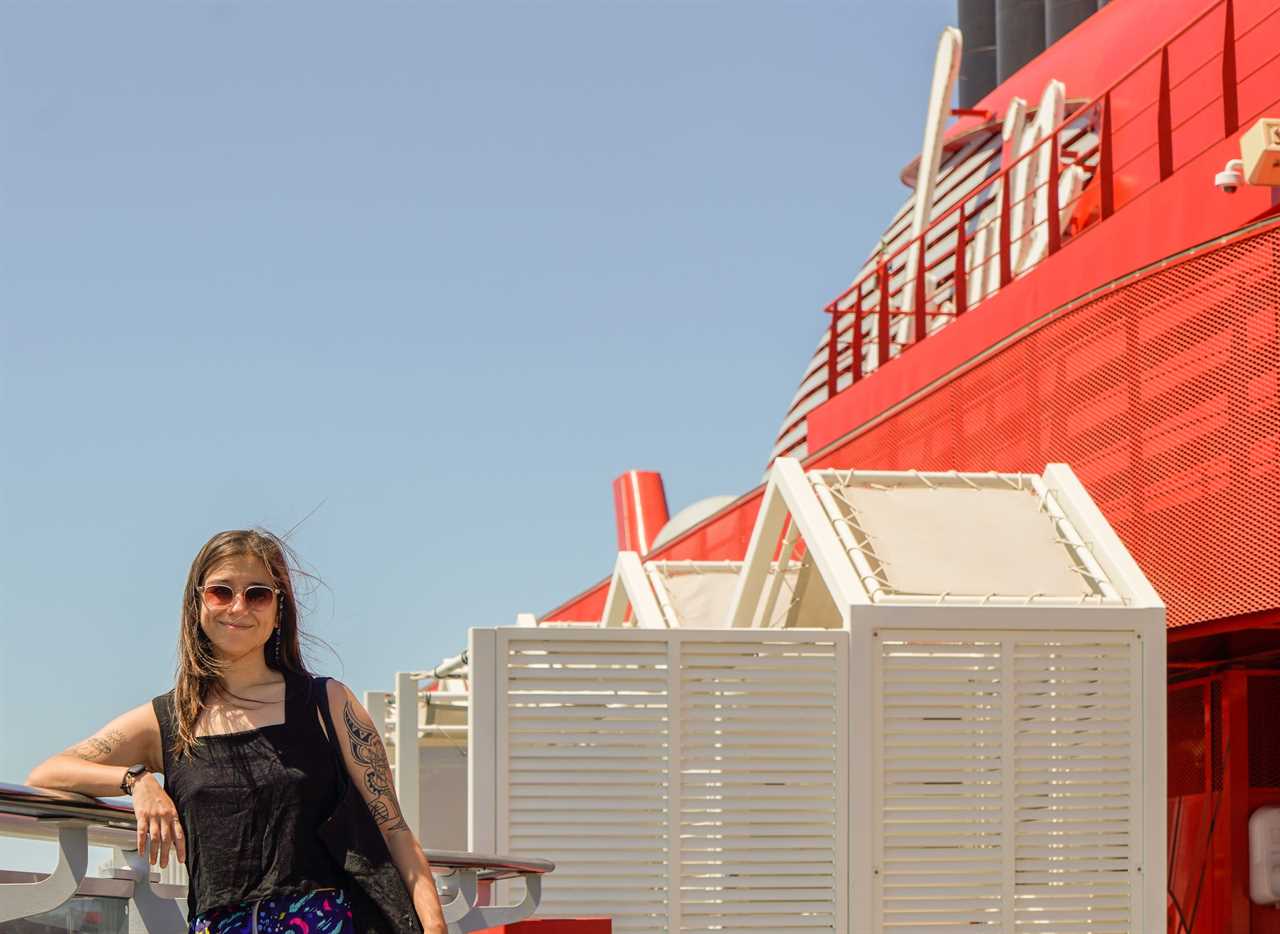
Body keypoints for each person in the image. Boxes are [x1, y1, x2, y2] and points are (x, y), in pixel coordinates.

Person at [26, 529, 448, 934]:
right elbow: (48, 773)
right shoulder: (168, 720)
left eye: (257, 594)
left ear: (279, 606)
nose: (238, 607)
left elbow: (393, 829)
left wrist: (433, 925)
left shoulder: (327, 704)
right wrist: (137, 783)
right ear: (198, 603)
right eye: (221, 591)